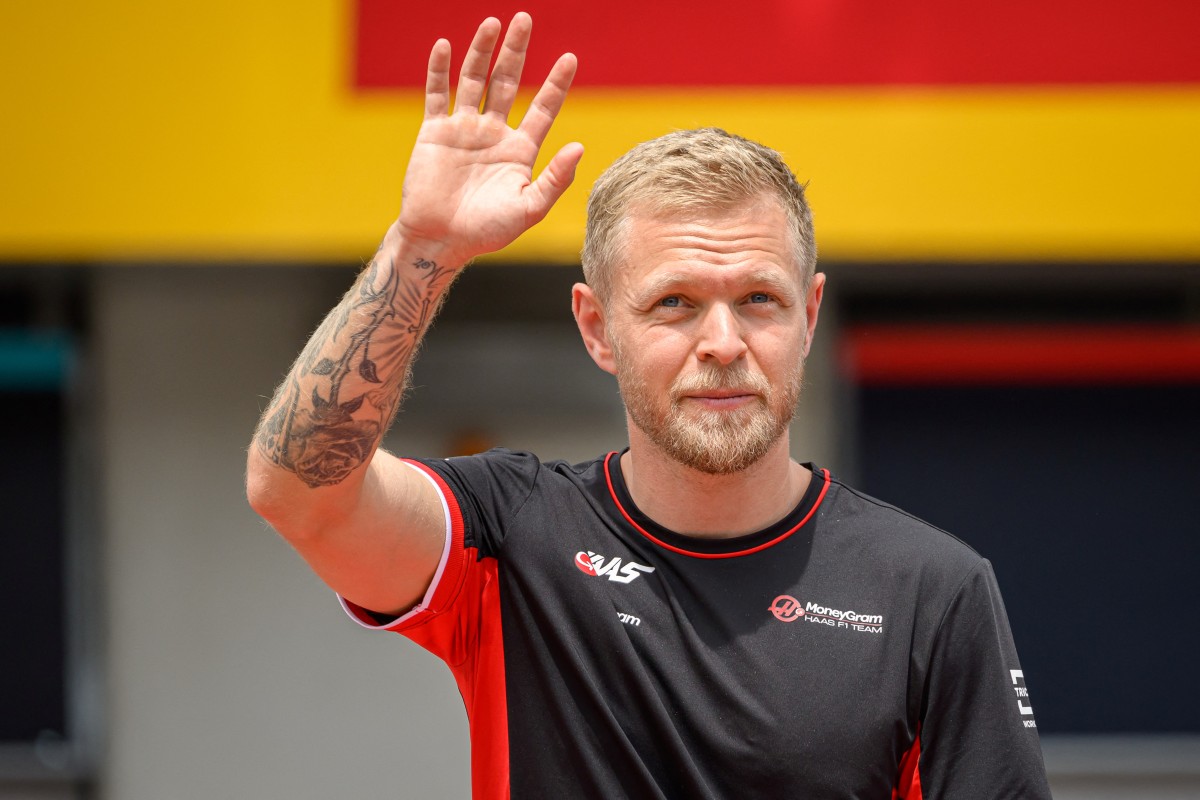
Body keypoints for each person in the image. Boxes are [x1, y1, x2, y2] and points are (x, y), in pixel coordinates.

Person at [247, 12, 1051, 799]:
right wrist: (422, 247)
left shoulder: (931, 591)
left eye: (760, 299)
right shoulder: (513, 533)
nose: (724, 341)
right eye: (674, 302)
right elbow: (300, 491)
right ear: (597, 328)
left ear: (809, 316)